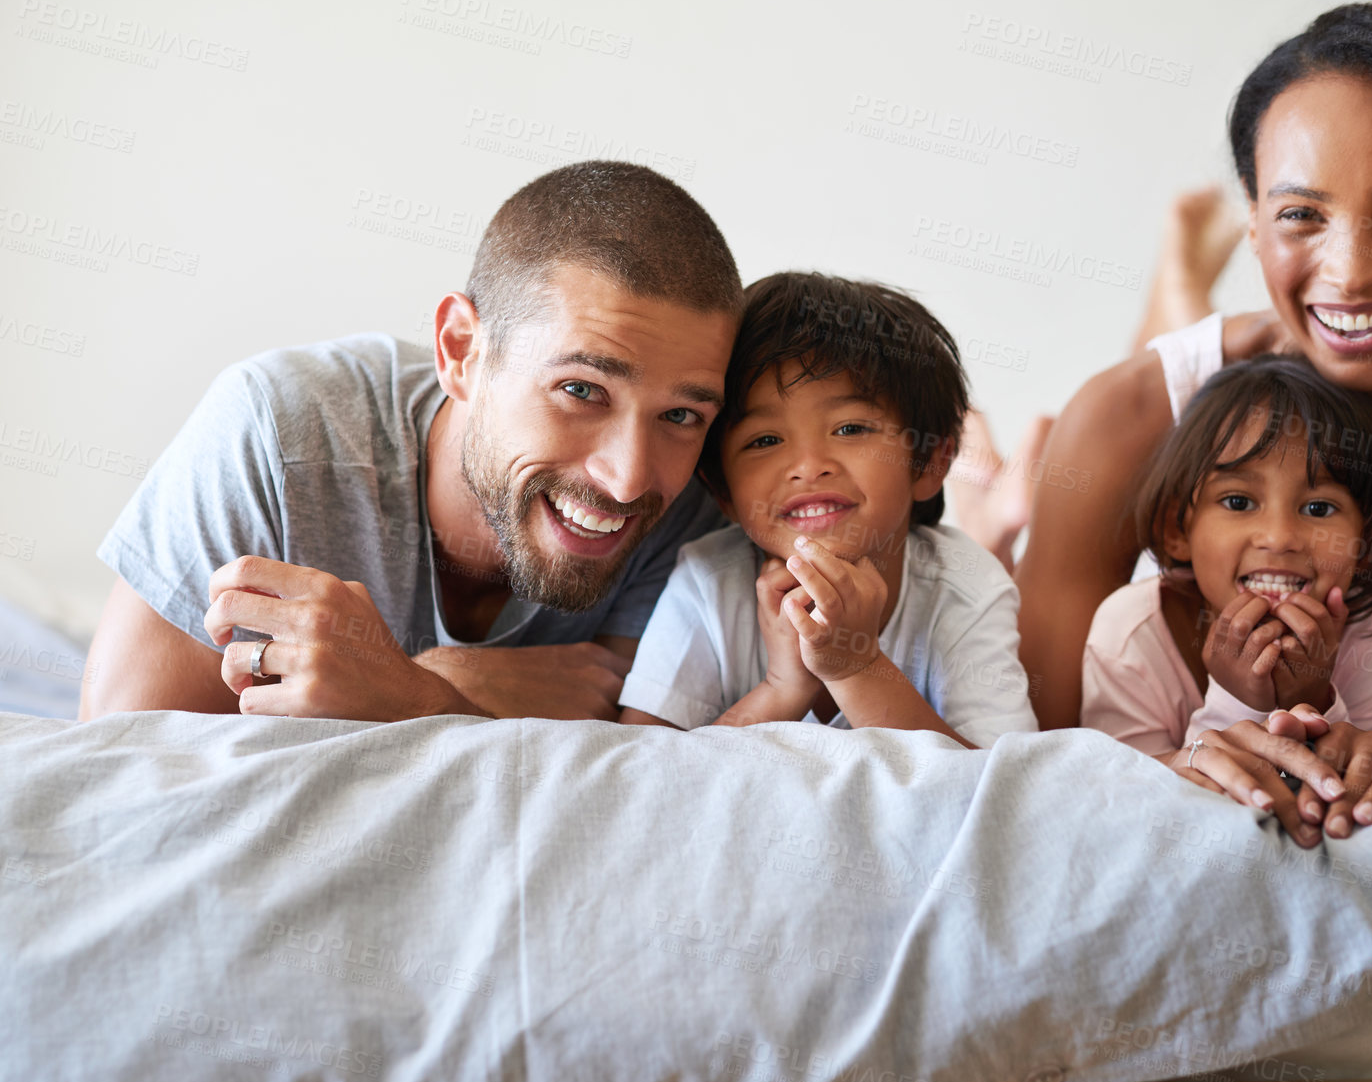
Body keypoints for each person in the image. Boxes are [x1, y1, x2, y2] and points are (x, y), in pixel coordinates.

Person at [961, 1, 1372, 752]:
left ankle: (1179, 289)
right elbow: (1021, 756)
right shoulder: (1124, 413)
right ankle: (992, 508)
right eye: (1301, 214)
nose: (1350, 271)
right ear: (1252, 218)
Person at [79, 161, 742, 722]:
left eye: (680, 415)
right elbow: (117, 774)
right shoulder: (279, 430)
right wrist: (434, 690)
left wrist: (410, 690)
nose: (627, 478)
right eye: (581, 390)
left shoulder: (686, 508)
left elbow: (634, 768)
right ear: (460, 351)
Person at [619, 273, 1036, 749]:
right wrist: (782, 689)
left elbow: (999, 787)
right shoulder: (708, 581)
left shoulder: (967, 587)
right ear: (723, 495)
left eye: (850, 429)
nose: (809, 467)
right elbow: (645, 770)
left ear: (930, 462)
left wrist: (856, 666)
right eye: (765, 440)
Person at [1082, 356, 1372, 846]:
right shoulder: (1129, 633)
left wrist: (1318, 699)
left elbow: (1354, 779)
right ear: (1178, 531)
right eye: (1238, 502)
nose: (1280, 537)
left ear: (1364, 548)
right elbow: (1136, 810)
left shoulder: (1355, 620)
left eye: (1318, 508)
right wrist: (1237, 699)